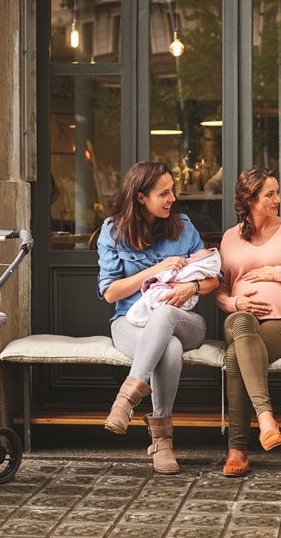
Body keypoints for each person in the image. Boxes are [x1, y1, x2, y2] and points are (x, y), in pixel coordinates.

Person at [97, 160, 219, 474]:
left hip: (185, 321)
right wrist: (156, 270)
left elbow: (213, 279)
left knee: (166, 313)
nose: (172, 198)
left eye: (172, 191)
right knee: (171, 349)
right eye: (163, 193)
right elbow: (111, 293)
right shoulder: (113, 231)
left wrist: (189, 286)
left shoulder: (183, 226)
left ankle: (125, 400)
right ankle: (162, 442)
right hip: (129, 321)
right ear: (141, 197)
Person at [215, 166, 281, 477]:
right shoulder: (230, 237)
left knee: (236, 356)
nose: (278, 199)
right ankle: (265, 418)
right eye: (270, 194)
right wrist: (236, 302)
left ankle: (238, 449)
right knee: (242, 324)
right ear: (250, 200)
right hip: (240, 319)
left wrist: (278, 273)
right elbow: (220, 291)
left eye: (278, 192)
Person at [126, 247, 221, 327]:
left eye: (195, 256)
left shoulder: (186, 231)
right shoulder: (117, 234)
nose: (191, 255)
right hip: (125, 314)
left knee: (165, 313)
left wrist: (193, 287)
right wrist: (159, 268)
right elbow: (111, 295)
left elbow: (214, 280)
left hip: (184, 315)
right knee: (172, 347)